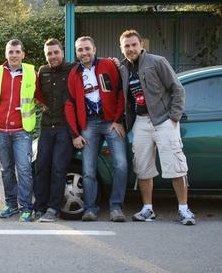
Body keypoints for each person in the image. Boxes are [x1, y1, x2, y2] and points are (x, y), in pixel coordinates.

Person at [118, 29, 195, 225]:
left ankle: (184, 210)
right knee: (143, 168)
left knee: (176, 166)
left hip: (163, 121)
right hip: (141, 123)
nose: (131, 48)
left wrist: (174, 117)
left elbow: (177, 88)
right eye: (126, 46)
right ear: (122, 48)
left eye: (134, 44)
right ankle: (147, 209)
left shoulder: (157, 61)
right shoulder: (123, 68)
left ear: (141, 45)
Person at [65, 36, 127, 222]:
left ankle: (116, 207)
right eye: (80, 50)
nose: (84, 53)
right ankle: (90, 208)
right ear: (76, 53)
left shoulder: (109, 65)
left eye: (87, 49)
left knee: (121, 165)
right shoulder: (74, 74)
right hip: (89, 124)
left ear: (94, 49)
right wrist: (75, 133)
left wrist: (117, 119)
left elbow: (121, 92)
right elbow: (69, 104)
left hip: (110, 122)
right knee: (88, 169)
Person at [0, 39, 36, 222]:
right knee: (6, 170)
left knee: (24, 169)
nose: (14, 55)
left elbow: (43, 95)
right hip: (0, 129)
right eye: (11, 52)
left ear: (23, 54)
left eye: (17, 52)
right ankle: (10, 204)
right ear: (6, 54)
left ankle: (26, 207)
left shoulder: (32, 72)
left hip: (22, 130)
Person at [33, 38, 76, 222]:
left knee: (59, 169)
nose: (53, 56)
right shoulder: (42, 71)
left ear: (62, 53)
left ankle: (53, 209)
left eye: (56, 52)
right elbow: (37, 93)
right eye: (49, 53)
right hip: (46, 126)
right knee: (41, 167)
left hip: (65, 128)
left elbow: (94, 65)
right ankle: (39, 207)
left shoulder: (73, 69)